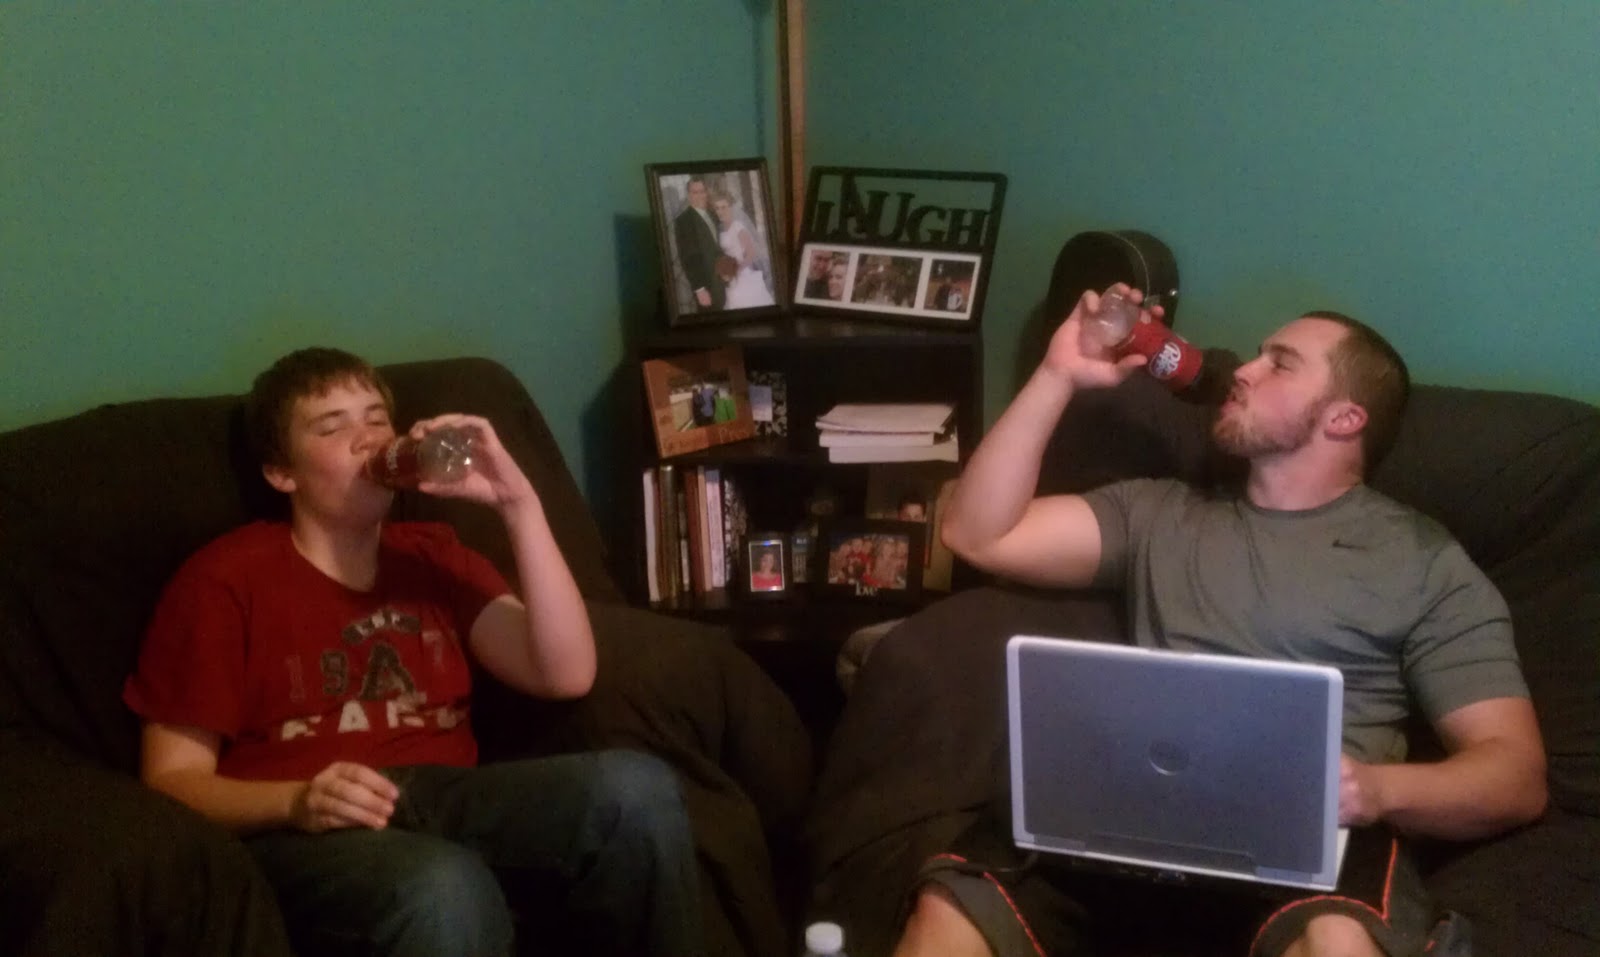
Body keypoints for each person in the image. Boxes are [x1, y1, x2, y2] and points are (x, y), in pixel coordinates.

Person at [895, 288, 1548, 957]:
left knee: (1337, 942)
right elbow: (977, 534)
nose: (1243, 370)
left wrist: (1372, 789)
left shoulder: (1422, 560)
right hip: (1131, 815)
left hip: (1304, 844)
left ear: (1345, 417)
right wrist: (1057, 373)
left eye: (1280, 363)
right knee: (950, 906)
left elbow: (1516, 776)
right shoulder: (1159, 514)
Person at [122, 348, 704, 957]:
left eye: (376, 418)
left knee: (636, 791)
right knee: (444, 886)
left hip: (440, 798)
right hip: (309, 832)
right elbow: (172, 781)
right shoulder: (224, 580)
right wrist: (296, 800)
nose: (367, 438)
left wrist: (517, 503)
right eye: (332, 426)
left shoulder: (432, 555)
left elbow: (566, 673)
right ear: (281, 473)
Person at [712, 191, 776, 309]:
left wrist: (736, 269)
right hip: (729, 276)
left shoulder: (738, 227)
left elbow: (751, 253)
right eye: (717, 208)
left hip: (742, 273)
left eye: (723, 207)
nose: (720, 211)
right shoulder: (721, 229)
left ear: (731, 207)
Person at [672, 176, 726, 312]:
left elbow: (717, 247)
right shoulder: (684, 221)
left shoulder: (713, 214)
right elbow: (688, 257)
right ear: (688, 195)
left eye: (702, 191)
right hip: (706, 284)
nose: (700, 196)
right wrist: (700, 289)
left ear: (706, 192)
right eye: (695, 192)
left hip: (721, 280)